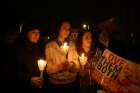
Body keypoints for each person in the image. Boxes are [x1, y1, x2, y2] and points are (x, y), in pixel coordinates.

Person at [45, 20, 80, 93]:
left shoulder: (72, 45)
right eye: (64, 28)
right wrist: (59, 67)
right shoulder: (50, 46)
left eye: (69, 29)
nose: (67, 31)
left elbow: (77, 66)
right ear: (58, 29)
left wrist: (71, 66)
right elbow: (48, 69)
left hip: (72, 83)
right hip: (56, 85)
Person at [14, 22, 44, 93]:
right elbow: (13, 71)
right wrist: (29, 80)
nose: (37, 35)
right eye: (33, 32)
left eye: (38, 32)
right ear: (26, 33)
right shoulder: (18, 49)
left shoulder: (38, 48)